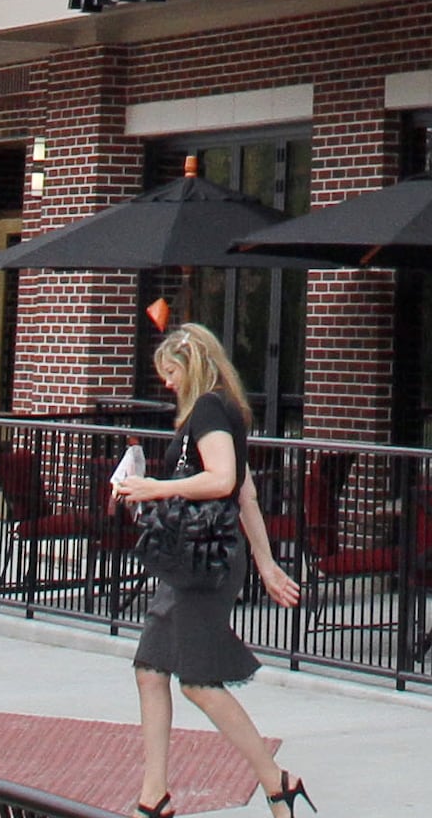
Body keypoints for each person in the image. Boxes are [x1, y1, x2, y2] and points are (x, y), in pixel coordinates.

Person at [110, 322, 311, 818]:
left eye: (172, 371)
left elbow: (222, 480)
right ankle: (152, 795)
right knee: (150, 671)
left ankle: (276, 780)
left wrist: (154, 487)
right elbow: (245, 492)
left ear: (192, 363)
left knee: (198, 682)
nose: (168, 382)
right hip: (192, 559)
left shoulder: (209, 409)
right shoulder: (215, 412)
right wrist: (266, 564)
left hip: (205, 562)